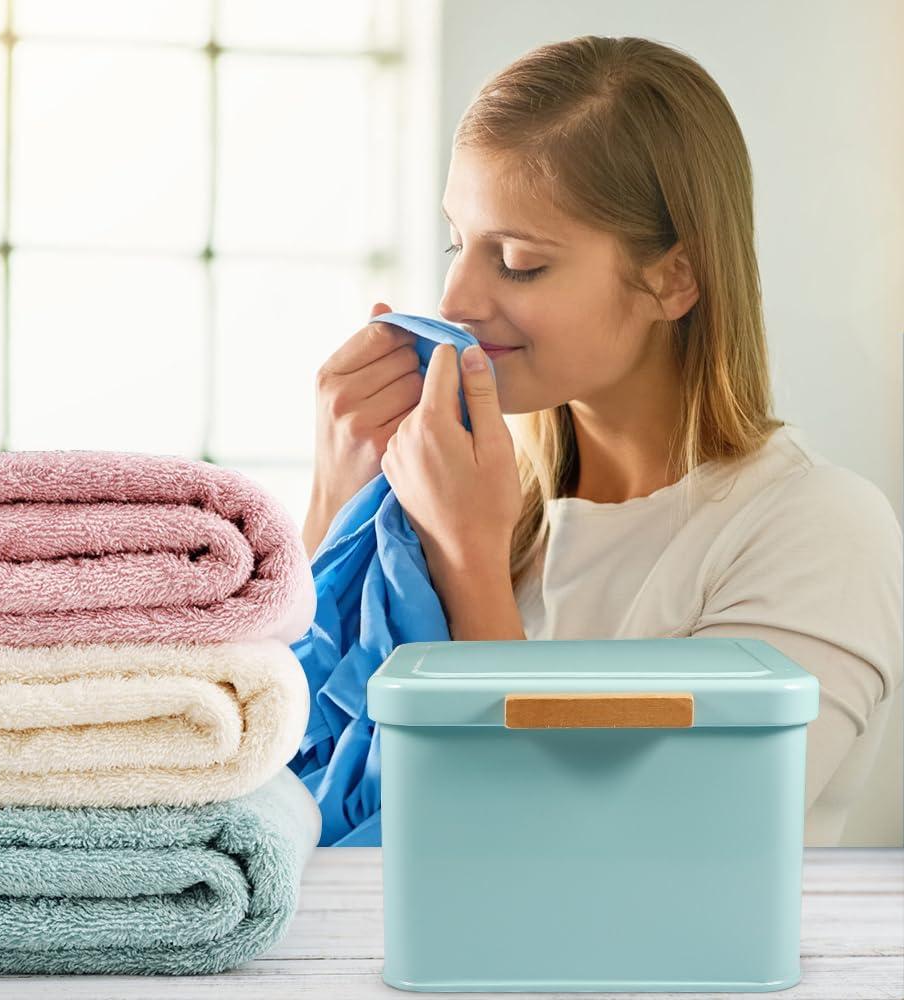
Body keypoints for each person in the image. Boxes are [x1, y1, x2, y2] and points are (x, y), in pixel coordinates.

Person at [301, 36, 902, 847]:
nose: (456, 298)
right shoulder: (485, 505)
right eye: (457, 242)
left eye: (517, 262)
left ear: (674, 279)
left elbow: (646, 853)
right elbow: (285, 766)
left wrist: (468, 560)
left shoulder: (817, 530)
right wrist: (335, 508)